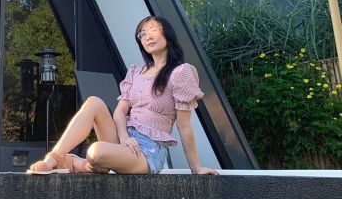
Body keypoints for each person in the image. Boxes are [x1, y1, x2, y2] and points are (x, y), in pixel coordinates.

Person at [28, 16, 218, 175]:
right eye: (142, 34)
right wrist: (125, 137)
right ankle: (53, 158)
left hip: (147, 152)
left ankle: (80, 164)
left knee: (95, 151)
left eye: (153, 30)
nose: (148, 36)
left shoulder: (180, 72)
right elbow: (120, 112)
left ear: (167, 34)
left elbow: (184, 126)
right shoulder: (136, 72)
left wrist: (196, 168)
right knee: (94, 102)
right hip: (123, 139)